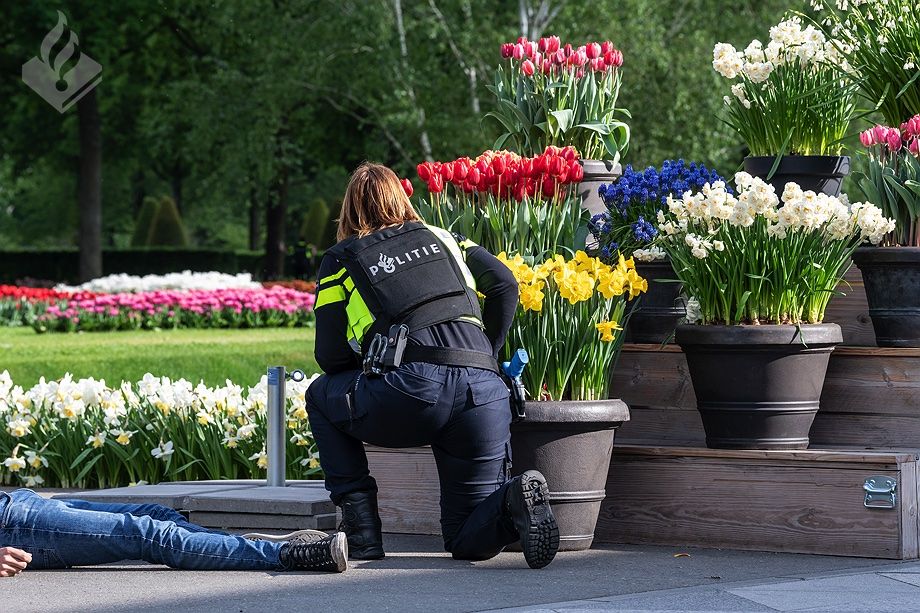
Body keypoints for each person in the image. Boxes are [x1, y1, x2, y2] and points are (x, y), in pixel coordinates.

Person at [308, 162, 560, 569]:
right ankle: (514, 500)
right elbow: (505, 284)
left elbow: (330, 357)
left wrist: (374, 360)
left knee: (320, 395)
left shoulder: (342, 257)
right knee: (467, 538)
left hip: (411, 392)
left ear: (350, 209)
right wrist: (488, 356)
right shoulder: (446, 238)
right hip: (484, 394)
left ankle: (363, 536)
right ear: (403, 200)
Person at [0, 488, 347, 575]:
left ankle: (236, 547)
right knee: (147, 534)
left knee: (157, 513)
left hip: (19, 504)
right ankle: (286, 555)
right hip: (16, 529)